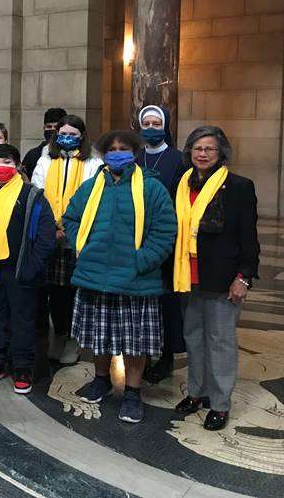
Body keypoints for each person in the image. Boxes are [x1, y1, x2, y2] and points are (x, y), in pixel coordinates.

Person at [62, 130, 177, 424]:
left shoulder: (152, 188)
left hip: (136, 279)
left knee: (134, 341)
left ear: (135, 152)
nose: (116, 153)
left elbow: (165, 231)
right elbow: (71, 218)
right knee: (99, 336)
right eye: (111, 149)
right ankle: (101, 379)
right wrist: (83, 247)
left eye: (123, 148)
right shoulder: (91, 187)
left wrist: (141, 261)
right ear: (103, 153)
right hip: (96, 274)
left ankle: (132, 393)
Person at [172, 126, 259, 431]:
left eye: (209, 148)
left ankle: (220, 404)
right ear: (189, 152)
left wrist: (244, 277)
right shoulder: (181, 184)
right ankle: (198, 392)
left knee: (220, 342)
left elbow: (249, 238)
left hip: (222, 278)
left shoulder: (239, 187)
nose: (203, 154)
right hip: (187, 276)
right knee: (193, 337)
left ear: (221, 152)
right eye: (197, 148)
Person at [0, 144, 56, 393]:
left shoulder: (32, 195)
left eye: (7, 161)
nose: (1, 167)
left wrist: (32, 266)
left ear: (18, 164)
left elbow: (46, 234)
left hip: (19, 270)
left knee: (22, 320)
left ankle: (22, 366)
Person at [31, 115, 102, 366]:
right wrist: (51, 229)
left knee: (76, 291)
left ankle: (74, 339)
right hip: (51, 236)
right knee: (56, 292)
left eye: (73, 134)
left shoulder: (94, 162)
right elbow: (38, 194)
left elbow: (92, 198)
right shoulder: (45, 161)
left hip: (79, 236)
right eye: (63, 133)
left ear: (82, 136)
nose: (67, 138)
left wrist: (70, 228)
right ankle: (59, 334)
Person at [136, 104, 186, 384]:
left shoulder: (178, 159)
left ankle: (166, 356)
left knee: (166, 300)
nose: (151, 128)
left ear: (165, 126)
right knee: (143, 299)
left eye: (157, 123)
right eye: (147, 123)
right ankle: (143, 353)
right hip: (138, 239)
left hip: (166, 238)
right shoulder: (135, 156)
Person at [21, 107, 66, 178]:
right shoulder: (32, 155)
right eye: (49, 127)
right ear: (44, 128)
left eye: (56, 127)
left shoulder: (70, 153)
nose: (52, 130)